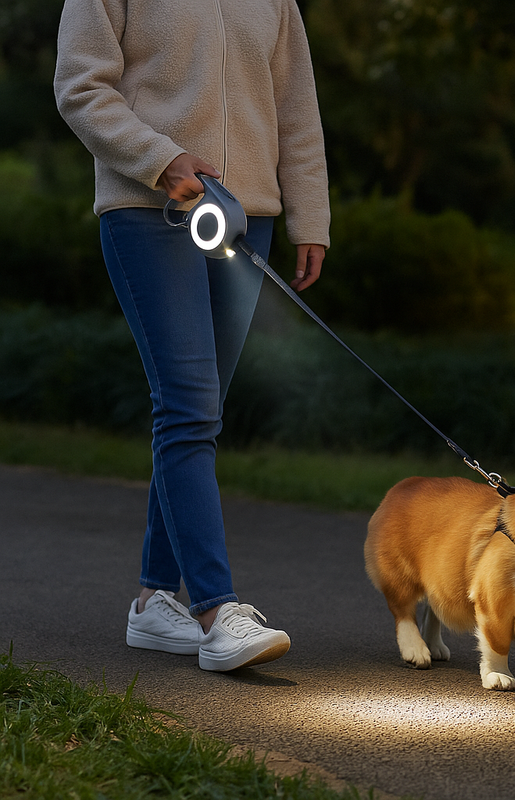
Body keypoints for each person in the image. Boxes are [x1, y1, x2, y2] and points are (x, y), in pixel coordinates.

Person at [54, 0, 330, 671]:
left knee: (199, 412)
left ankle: (154, 601)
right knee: (188, 406)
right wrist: (162, 157)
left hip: (247, 218)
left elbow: (295, 106)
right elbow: (80, 86)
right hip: (151, 210)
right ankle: (215, 609)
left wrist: (310, 213)